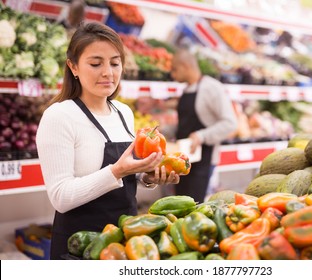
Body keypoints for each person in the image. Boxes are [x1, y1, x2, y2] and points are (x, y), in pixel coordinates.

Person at [36, 22, 180, 260]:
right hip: (80, 246)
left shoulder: (123, 112)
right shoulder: (59, 116)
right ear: (73, 67)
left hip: (126, 241)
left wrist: (147, 177)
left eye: (115, 63)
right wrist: (115, 171)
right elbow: (60, 197)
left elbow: (125, 177)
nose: (108, 72)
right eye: (95, 64)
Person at [170, 49, 238, 203]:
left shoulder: (211, 88)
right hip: (183, 158)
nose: (172, 74)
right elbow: (186, 123)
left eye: (174, 69)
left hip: (202, 161)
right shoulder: (187, 89)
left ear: (185, 66)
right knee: (179, 205)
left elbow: (230, 123)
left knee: (195, 204)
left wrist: (201, 136)